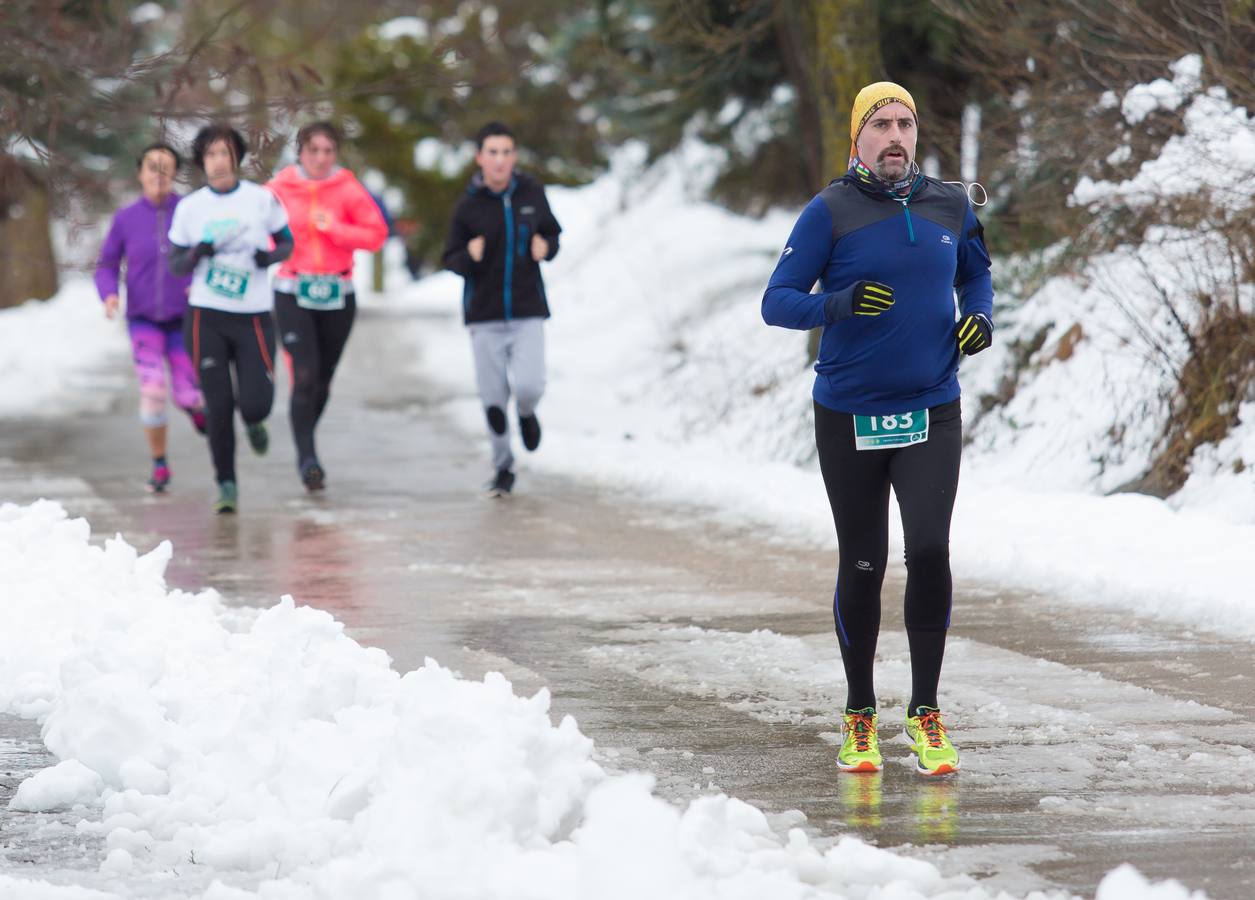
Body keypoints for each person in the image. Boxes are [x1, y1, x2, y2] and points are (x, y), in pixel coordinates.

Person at [761, 82, 994, 776]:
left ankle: (924, 711)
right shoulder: (826, 212)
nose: (895, 137)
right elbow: (776, 304)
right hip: (850, 415)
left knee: (927, 551)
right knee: (863, 562)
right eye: (881, 124)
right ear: (857, 136)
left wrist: (979, 318)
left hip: (930, 406)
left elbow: (976, 278)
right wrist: (835, 304)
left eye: (905, 124)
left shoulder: (950, 203)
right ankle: (859, 712)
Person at [168, 124, 293, 514]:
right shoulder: (191, 208)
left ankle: (255, 422)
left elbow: (287, 242)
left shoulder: (261, 200)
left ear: (237, 158)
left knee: (255, 404)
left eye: (225, 154)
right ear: (201, 161)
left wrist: (267, 258)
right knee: (218, 406)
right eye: (210, 155)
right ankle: (226, 483)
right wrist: (196, 254)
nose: (218, 162)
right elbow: (175, 265)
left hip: (253, 317)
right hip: (207, 317)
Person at [442, 122, 562, 497]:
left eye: (506, 152)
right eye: (492, 152)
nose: (499, 160)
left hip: (527, 311)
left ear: (514, 156)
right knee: (493, 400)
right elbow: (450, 258)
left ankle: (526, 414)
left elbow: (553, 233)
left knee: (529, 385)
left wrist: (547, 247)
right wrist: (468, 256)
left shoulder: (532, 193)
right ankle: (503, 467)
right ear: (480, 158)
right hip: (485, 317)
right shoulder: (468, 207)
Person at [267, 122, 388, 492]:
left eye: (328, 151)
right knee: (303, 375)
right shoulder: (278, 190)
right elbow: (255, 231)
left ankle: (305, 435)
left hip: (338, 293)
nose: (321, 158)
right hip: (292, 291)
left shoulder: (348, 188)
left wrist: (336, 229)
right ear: (299, 152)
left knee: (322, 379)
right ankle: (308, 458)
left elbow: (376, 235)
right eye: (313, 150)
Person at [94, 142, 206, 492]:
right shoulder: (126, 218)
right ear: (140, 173)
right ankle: (159, 464)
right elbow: (107, 264)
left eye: (166, 167)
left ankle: (196, 409)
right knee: (153, 390)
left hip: (183, 320)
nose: (159, 174)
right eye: (152, 167)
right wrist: (109, 294)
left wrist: (200, 285)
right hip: (143, 320)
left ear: (175, 173)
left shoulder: (189, 212)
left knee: (187, 394)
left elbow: (208, 255)